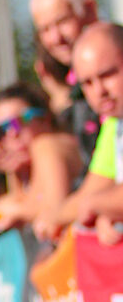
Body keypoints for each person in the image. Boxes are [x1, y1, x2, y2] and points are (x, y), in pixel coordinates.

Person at [0, 83, 82, 242]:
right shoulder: (22, 168)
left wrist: (10, 211)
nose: (11, 134)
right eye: (1, 130)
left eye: (17, 122)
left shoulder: (45, 144)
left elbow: (54, 216)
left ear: (44, 118)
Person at [38, 22, 123, 245]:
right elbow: (92, 191)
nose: (99, 91)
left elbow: (93, 200)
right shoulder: (114, 125)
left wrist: (100, 206)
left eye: (107, 75)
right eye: (87, 82)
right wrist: (51, 218)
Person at [29, 0, 101, 166]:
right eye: (45, 29)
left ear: (89, 10)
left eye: (62, 22)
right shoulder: (69, 77)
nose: (55, 38)